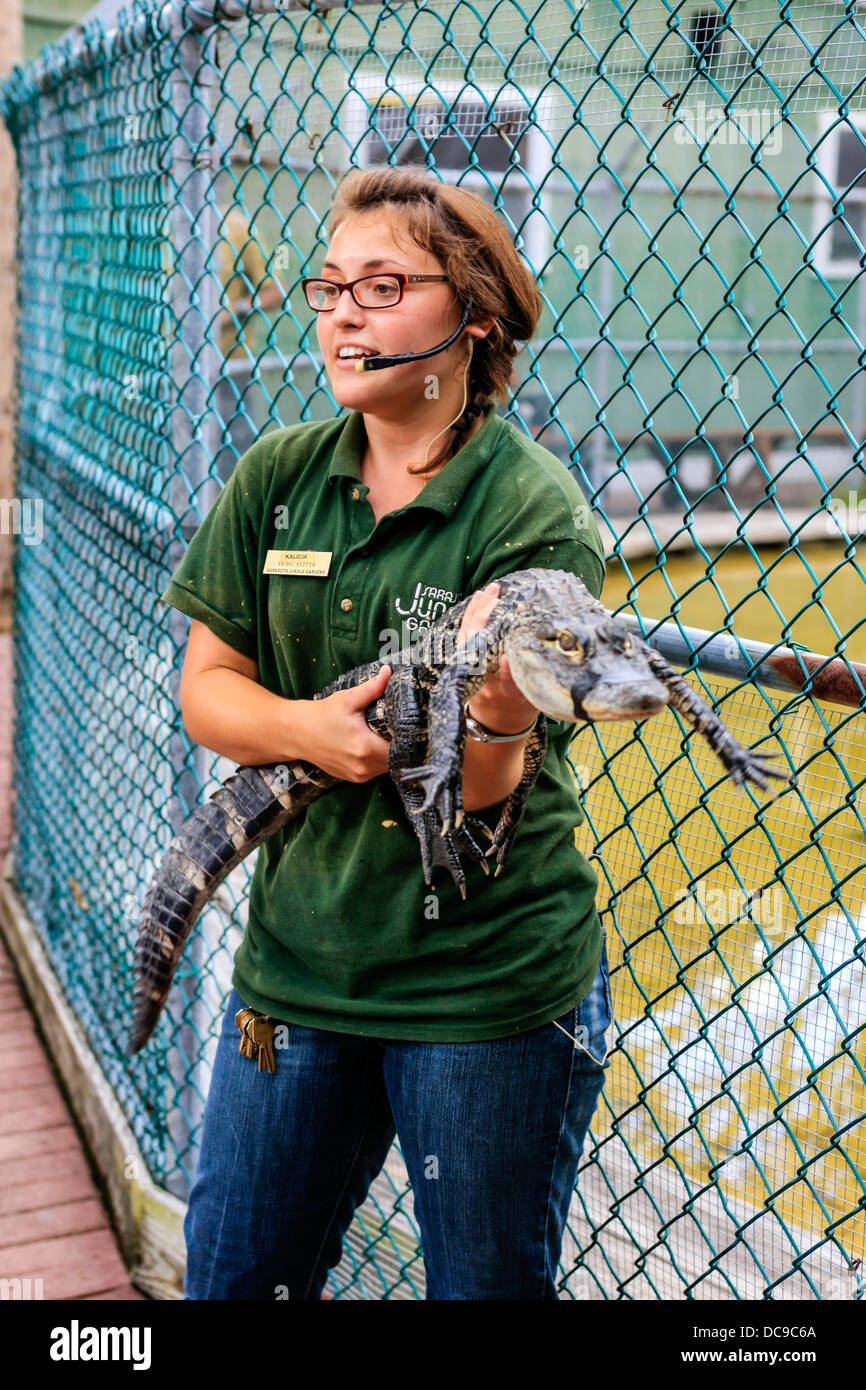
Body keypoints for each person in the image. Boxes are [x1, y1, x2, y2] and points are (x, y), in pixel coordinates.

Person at [160, 165, 613, 1301]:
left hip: (480, 989)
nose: (342, 313)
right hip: (294, 972)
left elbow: (481, 798)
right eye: (329, 286)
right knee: (229, 1281)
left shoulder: (531, 508)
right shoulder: (278, 479)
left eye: (381, 285)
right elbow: (207, 688)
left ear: (470, 317)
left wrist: (493, 714)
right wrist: (310, 730)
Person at [213, 204, 285, 483]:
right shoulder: (165, 222)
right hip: (173, 361)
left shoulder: (238, 227)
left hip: (231, 364)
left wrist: (234, 310)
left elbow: (276, 290)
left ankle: (229, 519)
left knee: (233, 451)